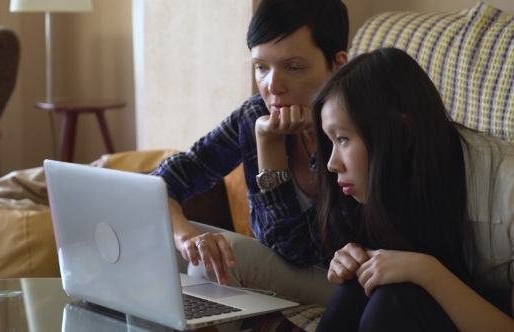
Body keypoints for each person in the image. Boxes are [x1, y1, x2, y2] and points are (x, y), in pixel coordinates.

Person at [150, 0, 348, 304]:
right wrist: (187, 239)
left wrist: (267, 143)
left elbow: (297, 249)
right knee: (159, 242)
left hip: (340, 282)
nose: (273, 86)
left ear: (338, 65)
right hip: (279, 265)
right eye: (261, 68)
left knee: (214, 263)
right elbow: (166, 180)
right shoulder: (254, 114)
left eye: (294, 68)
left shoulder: (356, 129)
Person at [311, 47, 514, 331]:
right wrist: (359, 259)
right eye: (330, 141)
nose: (332, 164)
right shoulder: (392, 181)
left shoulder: (507, 188)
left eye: (343, 138)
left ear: (403, 133)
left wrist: (426, 271)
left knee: (394, 300)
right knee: (358, 287)